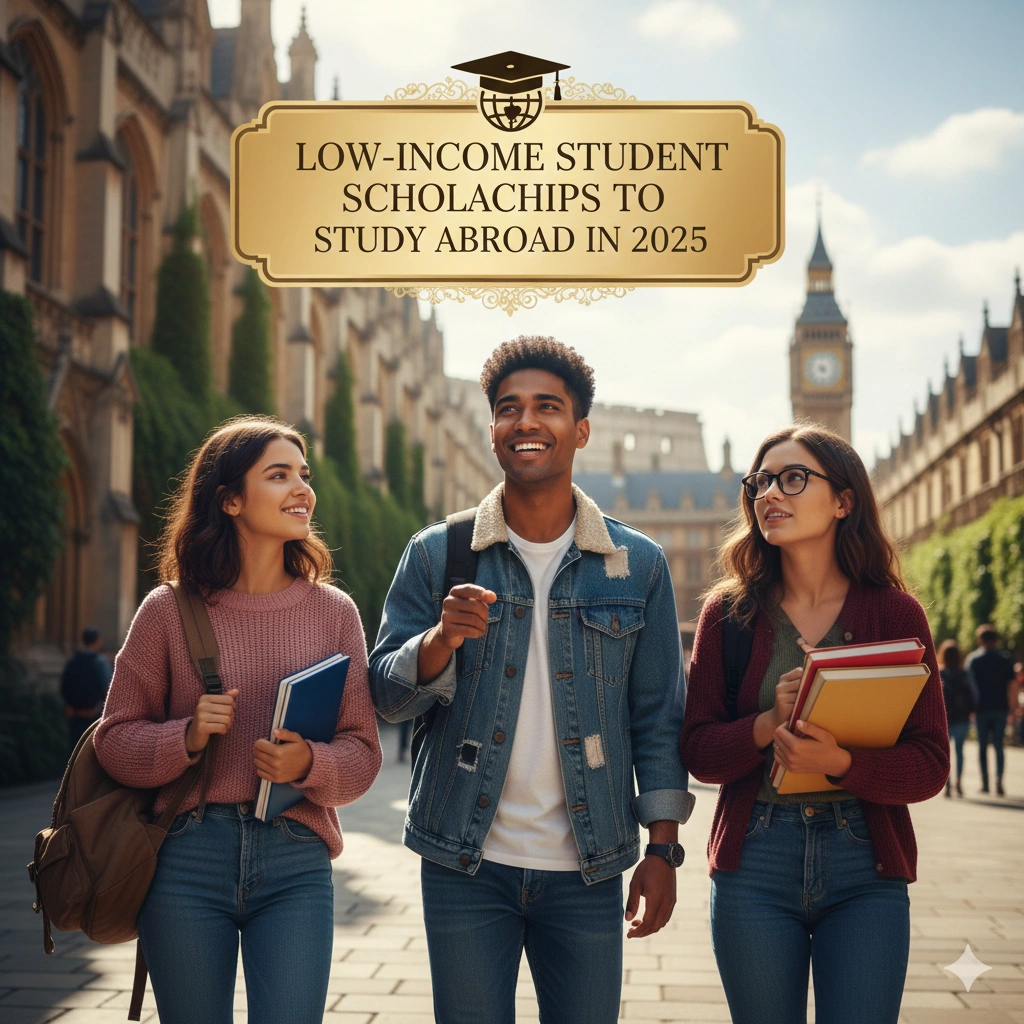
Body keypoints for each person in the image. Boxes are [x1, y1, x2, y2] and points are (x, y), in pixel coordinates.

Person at [368, 337, 693, 1024]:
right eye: (508, 409)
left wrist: (662, 849)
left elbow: (659, 718)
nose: (526, 422)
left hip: (588, 864)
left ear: (580, 429)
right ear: (490, 430)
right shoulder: (438, 552)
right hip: (463, 861)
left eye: (547, 406)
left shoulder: (640, 565)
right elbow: (386, 697)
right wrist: (439, 641)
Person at [93, 416, 382, 1024]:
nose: (302, 488)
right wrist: (186, 736)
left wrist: (310, 762)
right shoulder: (167, 611)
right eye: (278, 475)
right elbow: (113, 740)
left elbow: (363, 753)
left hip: (297, 860)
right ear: (228, 499)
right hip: (185, 859)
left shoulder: (335, 613)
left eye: (303, 475)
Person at [679, 424, 949, 1024]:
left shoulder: (895, 614)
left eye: (793, 478)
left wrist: (841, 764)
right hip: (756, 861)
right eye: (761, 481)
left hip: (864, 865)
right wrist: (768, 722)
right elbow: (698, 751)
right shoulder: (728, 614)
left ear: (843, 500)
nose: (771, 492)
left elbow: (930, 764)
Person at [965, 624, 1015, 796]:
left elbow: (969, 688)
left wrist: (970, 708)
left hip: (981, 709)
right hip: (1001, 707)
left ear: (980, 640)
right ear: (995, 640)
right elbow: (1012, 687)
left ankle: (985, 783)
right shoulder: (1005, 659)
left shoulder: (973, 660)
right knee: (999, 746)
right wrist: (1013, 709)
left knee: (983, 746)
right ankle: (999, 780)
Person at [60, 626, 112, 751]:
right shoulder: (99, 662)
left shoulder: (73, 661)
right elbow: (107, 688)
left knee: (75, 749)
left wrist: (69, 705)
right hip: (93, 714)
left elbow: (64, 684)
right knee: (90, 751)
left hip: (74, 713)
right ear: (98, 641)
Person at [938, 639, 974, 797]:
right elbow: (973, 694)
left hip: (944, 718)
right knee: (959, 751)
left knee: (945, 753)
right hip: (961, 717)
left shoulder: (940, 674)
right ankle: (958, 782)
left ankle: (946, 784)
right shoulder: (964, 673)